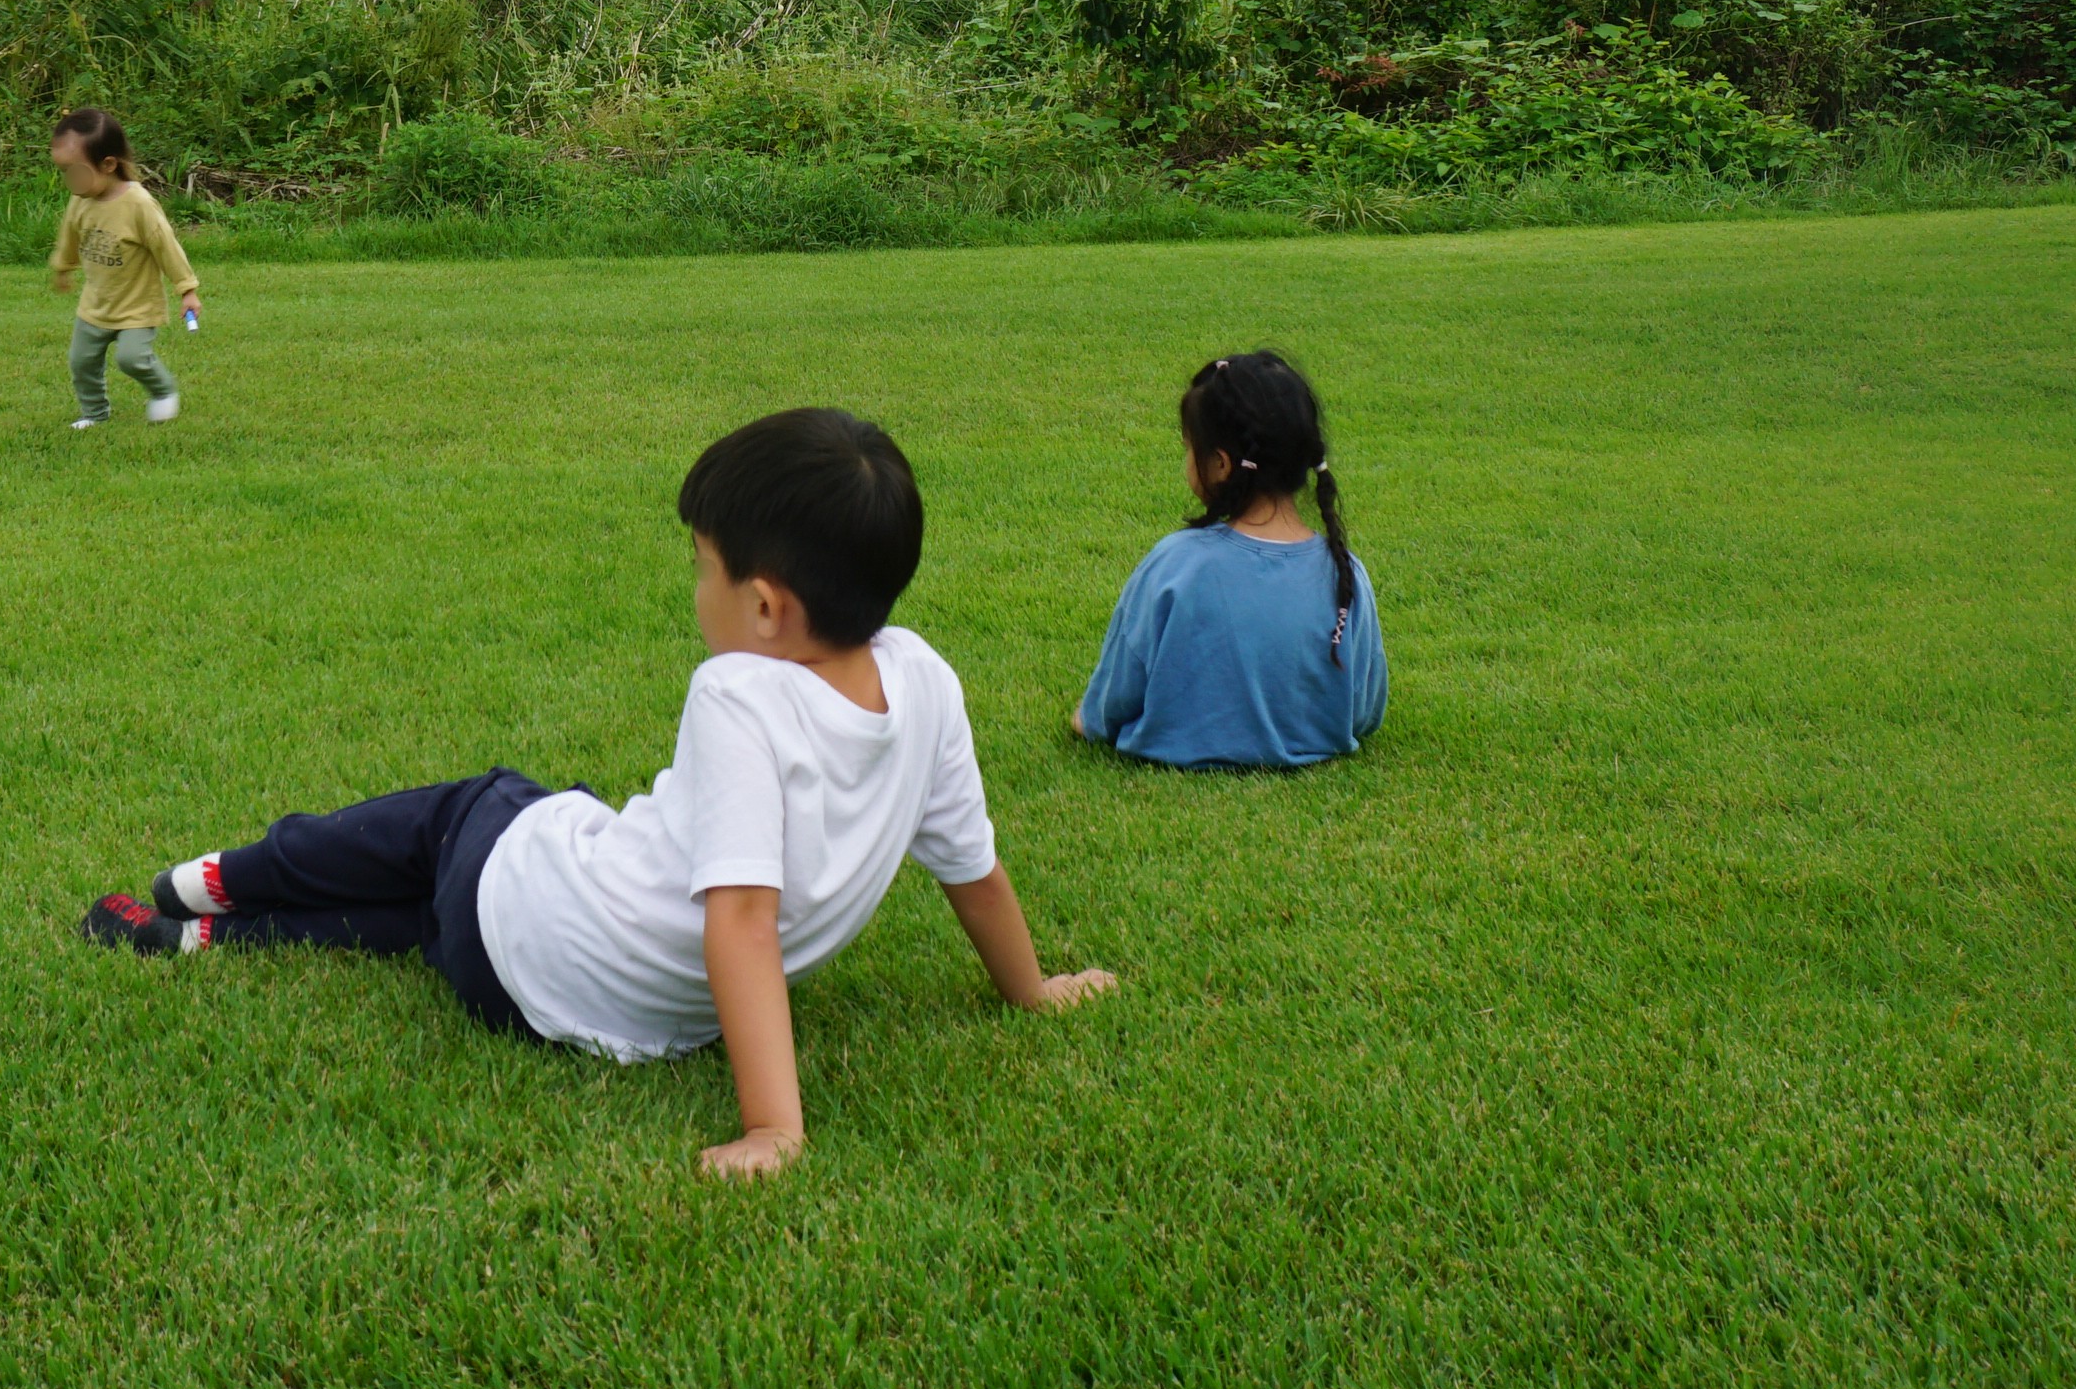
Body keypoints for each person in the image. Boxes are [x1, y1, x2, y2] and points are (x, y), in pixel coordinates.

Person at [79, 408, 1116, 1177]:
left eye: (700, 564)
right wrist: (1031, 990)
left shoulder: (738, 692)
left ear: (763, 605)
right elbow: (969, 865)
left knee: (461, 812)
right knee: (436, 920)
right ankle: (208, 941)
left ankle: (207, 882)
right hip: (571, 996)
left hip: (542, 918)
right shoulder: (925, 679)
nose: (693, 585)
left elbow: (744, 918)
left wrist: (774, 1129)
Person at [1072, 350, 1384, 769]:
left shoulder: (1175, 564)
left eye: (1189, 449)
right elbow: (1364, 712)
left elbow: (1110, 706)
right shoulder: (1346, 574)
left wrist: (1085, 719)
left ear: (1220, 464)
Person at [47, 107, 199, 427]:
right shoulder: (82, 199)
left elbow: (166, 246)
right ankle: (95, 414)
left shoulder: (138, 205)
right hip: (96, 305)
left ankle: (163, 392)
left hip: (136, 307)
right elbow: (69, 235)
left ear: (108, 164)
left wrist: (187, 289)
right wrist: (62, 266)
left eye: (74, 170)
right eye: (63, 171)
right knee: (81, 362)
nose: (68, 180)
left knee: (132, 359)